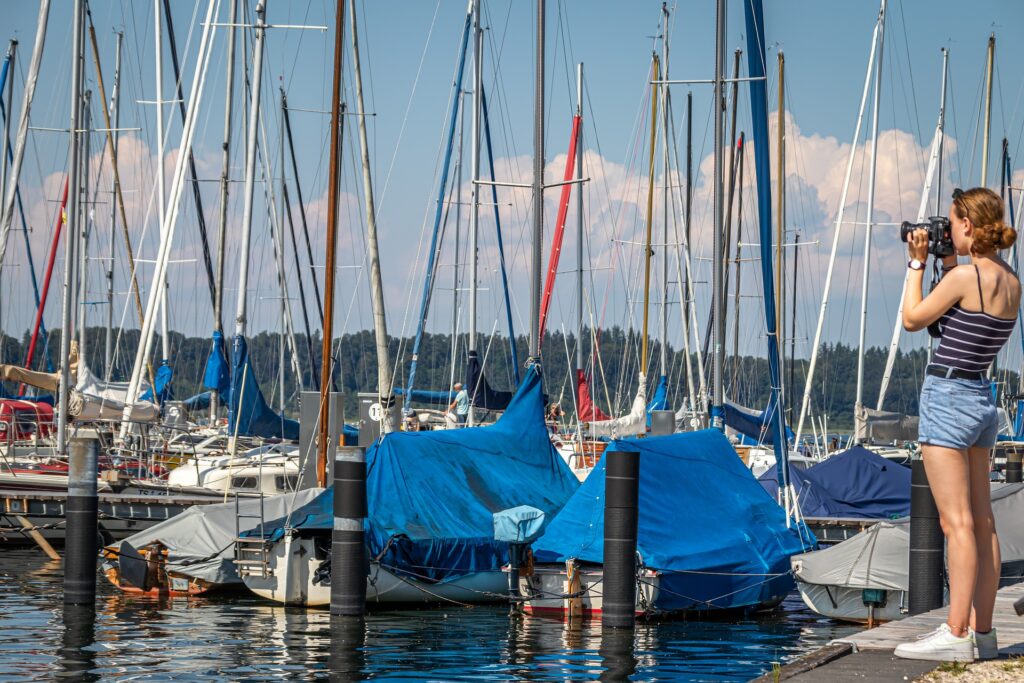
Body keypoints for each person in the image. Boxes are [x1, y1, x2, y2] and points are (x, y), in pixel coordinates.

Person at [894, 188, 1019, 663]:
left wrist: (917, 264)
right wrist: (950, 264)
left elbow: (913, 319)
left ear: (968, 226)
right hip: (979, 398)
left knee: (955, 522)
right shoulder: (1008, 280)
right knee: (982, 521)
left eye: (951, 225)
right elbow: (954, 327)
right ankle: (983, 632)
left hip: (947, 396)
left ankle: (955, 629)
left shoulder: (966, 277)